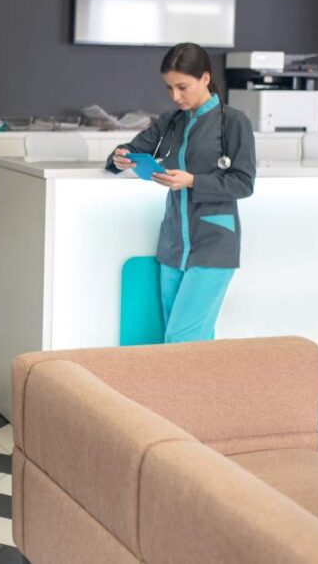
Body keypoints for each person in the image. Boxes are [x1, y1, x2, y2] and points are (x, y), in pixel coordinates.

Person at [106, 42, 255, 343]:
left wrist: (192, 181)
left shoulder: (234, 122)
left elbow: (243, 183)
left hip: (213, 245)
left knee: (180, 340)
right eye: (169, 89)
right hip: (174, 246)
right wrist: (120, 157)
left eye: (183, 87)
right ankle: (203, 391)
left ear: (205, 78)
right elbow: (131, 150)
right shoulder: (171, 122)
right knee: (189, 343)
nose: (176, 96)